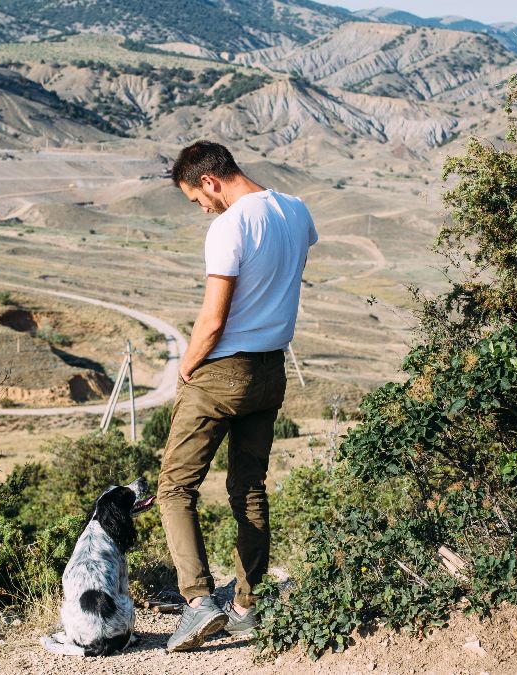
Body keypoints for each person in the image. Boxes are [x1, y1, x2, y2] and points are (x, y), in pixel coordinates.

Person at [157, 141, 317, 652]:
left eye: (194, 199)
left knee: (175, 488)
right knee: (249, 488)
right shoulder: (295, 209)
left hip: (223, 372)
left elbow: (213, 319)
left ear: (209, 181)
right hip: (272, 370)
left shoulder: (228, 226)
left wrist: (185, 368)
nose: (201, 208)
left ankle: (199, 603)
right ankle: (247, 605)